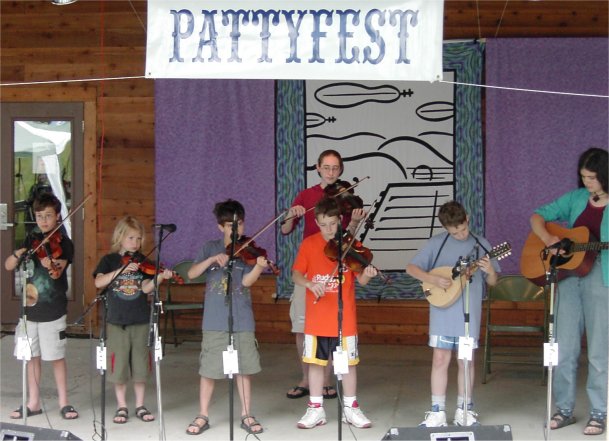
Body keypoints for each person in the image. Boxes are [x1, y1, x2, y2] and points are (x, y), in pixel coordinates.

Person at [530, 147, 608, 436]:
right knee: (564, 347)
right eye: (583, 177)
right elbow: (537, 216)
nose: (587, 182)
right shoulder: (576, 199)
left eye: (592, 177)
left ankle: (599, 412)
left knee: (599, 349)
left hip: (601, 275)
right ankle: (564, 409)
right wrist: (549, 238)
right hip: (568, 275)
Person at [281, 149, 365, 400]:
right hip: (308, 266)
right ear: (317, 168)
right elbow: (286, 230)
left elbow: (347, 235)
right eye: (326, 167)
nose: (331, 172)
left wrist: (355, 222)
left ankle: (327, 380)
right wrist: (290, 214)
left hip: (333, 266)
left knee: (332, 328)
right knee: (301, 326)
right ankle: (307, 377)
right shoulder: (307, 196)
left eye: (335, 168)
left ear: (340, 170)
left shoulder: (345, 197)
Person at [406, 200, 499, 427]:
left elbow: (494, 282)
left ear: (467, 218)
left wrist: (488, 271)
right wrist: (433, 279)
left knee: (466, 361)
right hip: (442, 311)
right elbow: (412, 268)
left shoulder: (482, 244)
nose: (460, 235)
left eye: (463, 229)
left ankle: (464, 410)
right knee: (440, 358)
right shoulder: (437, 243)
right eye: (454, 232)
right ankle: (437, 411)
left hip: (469, 312)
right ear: (446, 228)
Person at [292, 197, 377, 429]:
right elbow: (296, 275)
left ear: (340, 220)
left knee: (348, 364)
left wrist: (368, 272)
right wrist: (310, 284)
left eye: (332, 224)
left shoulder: (349, 245)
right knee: (316, 364)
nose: (328, 230)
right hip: (317, 320)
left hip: (344, 318)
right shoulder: (309, 244)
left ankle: (350, 408)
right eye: (323, 225)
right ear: (317, 223)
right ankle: (315, 409)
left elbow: (363, 280)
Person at [185, 199, 268, 435]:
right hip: (214, 319)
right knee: (209, 369)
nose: (237, 230)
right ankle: (203, 414)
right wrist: (212, 259)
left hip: (241, 318)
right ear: (220, 227)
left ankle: (246, 414)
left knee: (243, 368)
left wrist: (259, 267)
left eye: (240, 224)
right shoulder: (210, 247)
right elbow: (191, 274)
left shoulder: (248, 248)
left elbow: (245, 282)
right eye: (231, 226)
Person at [4, 192, 79, 420]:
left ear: (57, 216)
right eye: (39, 216)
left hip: (52, 310)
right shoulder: (31, 240)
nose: (44, 221)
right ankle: (33, 402)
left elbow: (57, 273)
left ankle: (64, 402)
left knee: (55, 356)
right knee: (31, 357)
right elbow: (8, 265)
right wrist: (19, 252)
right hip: (28, 312)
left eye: (48, 216)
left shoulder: (64, 243)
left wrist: (50, 264)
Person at [93, 216, 173, 424]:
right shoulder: (109, 260)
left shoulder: (143, 262)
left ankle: (140, 404)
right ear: (120, 237)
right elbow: (99, 282)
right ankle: (121, 406)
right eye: (130, 238)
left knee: (140, 365)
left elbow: (145, 288)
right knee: (118, 365)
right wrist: (119, 271)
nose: (135, 243)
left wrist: (160, 278)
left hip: (140, 318)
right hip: (117, 320)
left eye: (138, 239)